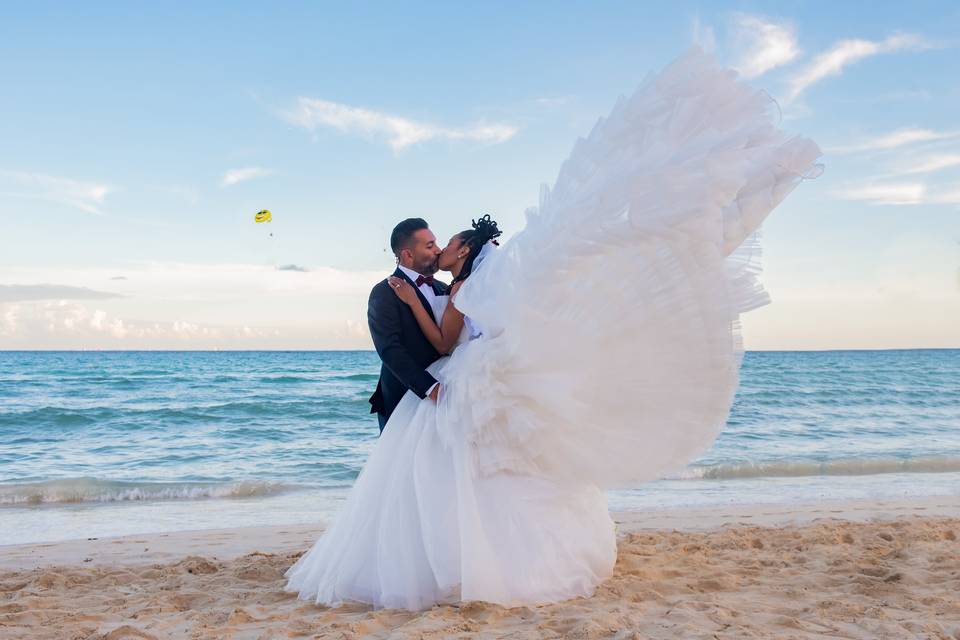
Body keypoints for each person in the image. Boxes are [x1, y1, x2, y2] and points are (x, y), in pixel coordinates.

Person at [285, 48, 821, 610]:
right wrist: (427, 380)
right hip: (416, 392)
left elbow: (448, 336)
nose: (436, 248)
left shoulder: (457, 288)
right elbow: (394, 350)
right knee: (411, 488)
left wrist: (435, 358)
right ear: (404, 251)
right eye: (426, 244)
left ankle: (473, 561)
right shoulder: (393, 292)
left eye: (440, 243)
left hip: (455, 382)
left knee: (453, 482)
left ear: (464, 250)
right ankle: (428, 556)